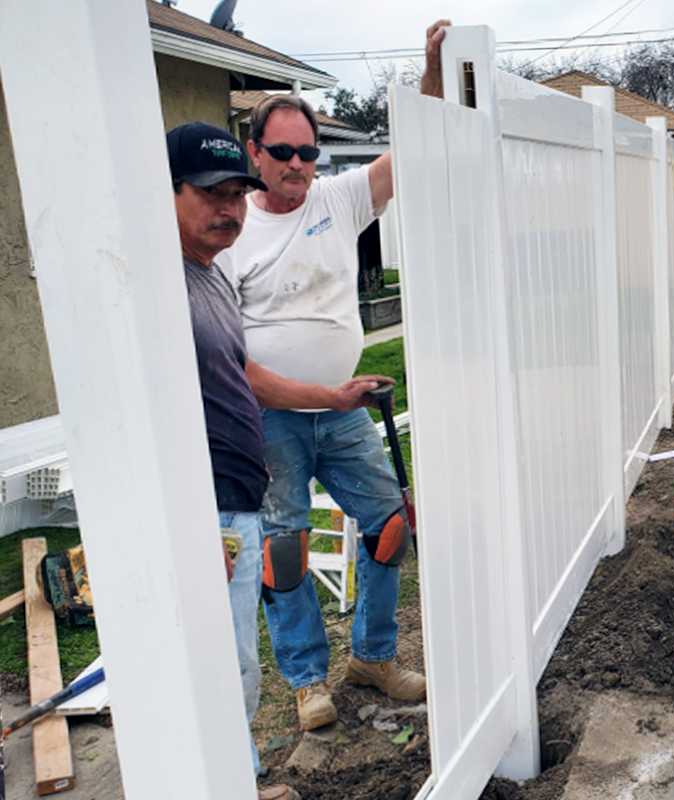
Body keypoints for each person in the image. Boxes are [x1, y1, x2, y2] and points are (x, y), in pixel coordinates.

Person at [217, 20, 451, 731]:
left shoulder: (339, 199)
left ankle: (373, 659)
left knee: (388, 528)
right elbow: (240, 369)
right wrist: (324, 395)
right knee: (283, 548)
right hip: (277, 418)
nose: (298, 164)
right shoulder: (232, 233)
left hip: (343, 411)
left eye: (308, 152)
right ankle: (306, 680)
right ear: (255, 153)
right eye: (283, 152)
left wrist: (432, 67)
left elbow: (412, 144)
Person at [167, 122, 297, 800]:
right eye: (213, 194)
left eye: (239, 195)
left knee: (237, 662)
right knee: (221, 667)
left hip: (236, 500)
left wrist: (330, 393)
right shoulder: (159, 287)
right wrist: (193, 523)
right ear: (168, 193)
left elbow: (236, 373)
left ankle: (238, 778)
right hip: (208, 507)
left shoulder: (211, 278)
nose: (231, 209)